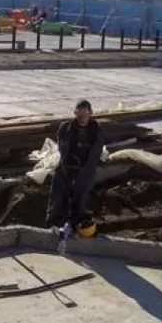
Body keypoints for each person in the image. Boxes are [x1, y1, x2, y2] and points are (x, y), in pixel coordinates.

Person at [48, 99, 103, 238]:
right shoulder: (66, 127)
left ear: (91, 113)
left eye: (85, 113)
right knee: (58, 195)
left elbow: (95, 153)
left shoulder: (96, 130)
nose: (82, 117)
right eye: (79, 113)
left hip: (85, 170)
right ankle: (53, 224)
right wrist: (67, 165)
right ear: (75, 113)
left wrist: (84, 171)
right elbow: (62, 146)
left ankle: (77, 224)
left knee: (81, 197)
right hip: (66, 167)